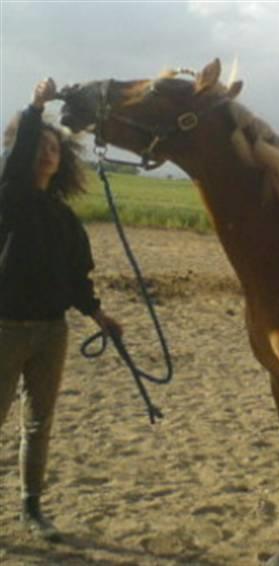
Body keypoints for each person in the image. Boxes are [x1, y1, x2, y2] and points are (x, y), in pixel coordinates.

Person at [0, 78, 122, 542]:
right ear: (25, 149)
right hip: (6, 328)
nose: (49, 152)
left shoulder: (64, 218)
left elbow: (76, 281)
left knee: (39, 423)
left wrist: (98, 316)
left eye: (55, 147)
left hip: (52, 332)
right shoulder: (11, 197)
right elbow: (14, 166)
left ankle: (32, 508)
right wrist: (36, 107)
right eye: (41, 145)